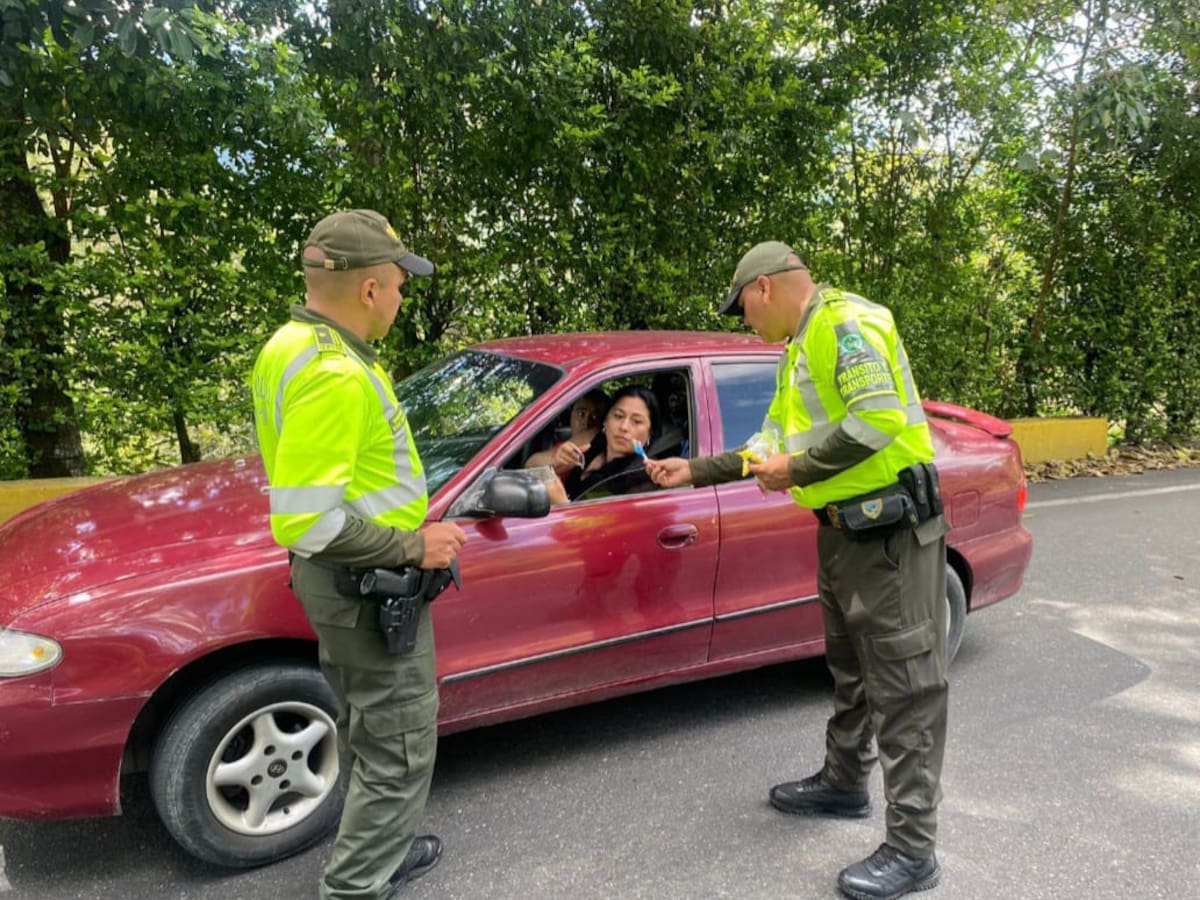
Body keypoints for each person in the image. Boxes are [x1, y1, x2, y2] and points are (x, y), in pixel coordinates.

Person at [646, 241, 948, 900]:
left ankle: (913, 847)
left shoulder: (844, 325)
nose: (746, 323)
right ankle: (844, 783)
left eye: (743, 309)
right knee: (852, 674)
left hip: (891, 538)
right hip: (843, 536)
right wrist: (696, 470)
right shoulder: (799, 350)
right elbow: (771, 447)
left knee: (905, 689)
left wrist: (799, 472)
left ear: (763, 288)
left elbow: (879, 417)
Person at [250, 209, 467, 900]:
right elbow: (307, 521)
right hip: (365, 585)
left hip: (340, 588)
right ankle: (356, 885)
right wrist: (416, 543)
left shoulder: (287, 345)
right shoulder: (334, 372)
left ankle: (383, 850)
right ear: (370, 289)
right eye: (401, 285)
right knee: (399, 748)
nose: (404, 299)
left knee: (367, 729)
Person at [562, 385, 659, 501]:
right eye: (618, 416)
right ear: (605, 420)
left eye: (637, 421)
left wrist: (560, 502)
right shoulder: (593, 447)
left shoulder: (642, 477)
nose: (624, 427)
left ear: (650, 433)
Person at [524, 388, 609, 476]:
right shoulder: (564, 445)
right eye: (581, 413)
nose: (586, 421)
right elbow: (531, 464)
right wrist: (554, 461)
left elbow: (530, 466)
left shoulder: (594, 436)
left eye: (595, 416)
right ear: (571, 414)